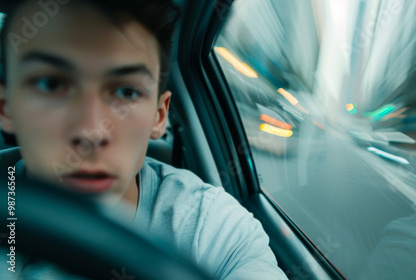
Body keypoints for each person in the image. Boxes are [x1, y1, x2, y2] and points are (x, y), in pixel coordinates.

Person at [0, 0, 287, 279]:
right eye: (51, 84)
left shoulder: (211, 227)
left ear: (159, 116)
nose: (91, 132)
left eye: (127, 92)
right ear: (6, 106)